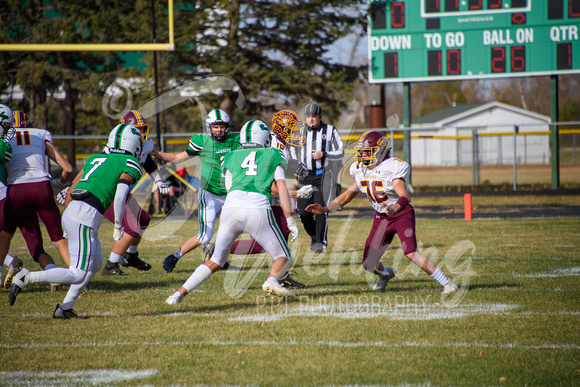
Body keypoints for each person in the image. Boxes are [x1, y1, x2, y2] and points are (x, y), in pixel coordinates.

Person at [8, 123, 144, 318]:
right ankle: (26, 277)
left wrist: (67, 216)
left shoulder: (96, 158)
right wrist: (118, 225)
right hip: (85, 215)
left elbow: (72, 189)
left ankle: (65, 308)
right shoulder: (129, 162)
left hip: (74, 211)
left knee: (95, 263)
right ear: (133, 144)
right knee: (78, 273)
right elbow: (121, 194)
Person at [306, 131, 458, 294]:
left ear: (380, 150)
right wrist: (325, 209)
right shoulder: (360, 169)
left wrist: (395, 208)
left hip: (401, 214)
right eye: (361, 151)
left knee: (411, 253)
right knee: (368, 263)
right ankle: (385, 275)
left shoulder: (392, 166)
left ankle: (447, 283)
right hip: (381, 218)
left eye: (367, 151)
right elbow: (347, 195)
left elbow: (405, 196)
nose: (362, 154)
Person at [165, 120, 299, 304]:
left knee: (217, 261)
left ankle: (177, 294)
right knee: (284, 256)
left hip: (231, 208)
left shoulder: (231, 156)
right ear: (264, 138)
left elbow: (229, 189)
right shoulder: (274, 153)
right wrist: (289, 219)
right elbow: (281, 188)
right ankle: (271, 280)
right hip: (257, 207)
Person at [210, 110, 312, 289]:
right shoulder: (274, 146)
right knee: (260, 246)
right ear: (282, 130)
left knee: (284, 232)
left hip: (261, 197)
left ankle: (282, 275)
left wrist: (293, 168)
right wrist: (296, 193)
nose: (297, 134)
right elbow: (265, 182)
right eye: (293, 130)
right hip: (256, 198)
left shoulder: (277, 142)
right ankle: (217, 249)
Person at [153, 109, 240, 273]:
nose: (219, 130)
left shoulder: (237, 140)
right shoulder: (202, 141)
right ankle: (175, 256)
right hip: (210, 194)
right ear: (210, 128)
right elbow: (177, 157)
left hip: (231, 193)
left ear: (227, 127)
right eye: (215, 127)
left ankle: (218, 260)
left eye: (222, 126)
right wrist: (156, 154)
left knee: (233, 229)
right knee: (205, 236)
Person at [0, 109, 73, 290]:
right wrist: (59, 181)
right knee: (58, 239)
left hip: (16, 189)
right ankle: (77, 280)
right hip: (42, 186)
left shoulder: (5, 140)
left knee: (4, 235)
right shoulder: (41, 134)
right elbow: (68, 169)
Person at [99, 110, 170, 276]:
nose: (142, 133)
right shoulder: (114, 147)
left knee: (143, 219)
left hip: (122, 188)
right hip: (109, 189)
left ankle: (131, 256)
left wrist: (158, 180)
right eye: (137, 129)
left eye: (143, 128)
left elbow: (147, 161)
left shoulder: (144, 144)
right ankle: (111, 265)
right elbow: (96, 166)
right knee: (132, 227)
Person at [289, 102, 343, 254]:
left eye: (314, 116)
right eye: (308, 116)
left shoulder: (330, 130)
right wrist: (295, 166)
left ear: (320, 116)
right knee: (303, 212)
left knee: (320, 210)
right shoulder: (299, 131)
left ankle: (320, 243)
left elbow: (340, 151)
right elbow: (292, 149)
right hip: (304, 177)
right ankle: (315, 237)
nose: (311, 119)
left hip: (322, 175)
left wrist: (324, 154)